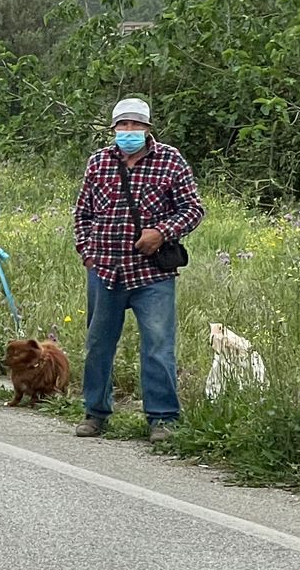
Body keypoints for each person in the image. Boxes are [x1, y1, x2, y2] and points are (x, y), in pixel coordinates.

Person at [72, 98, 204, 443]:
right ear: (114, 128)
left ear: (148, 128)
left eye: (136, 126)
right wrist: (87, 253)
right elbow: (82, 214)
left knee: (159, 346)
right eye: (123, 126)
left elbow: (192, 209)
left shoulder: (170, 160)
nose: (129, 132)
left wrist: (161, 233)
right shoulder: (99, 162)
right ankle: (95, 412)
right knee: (99, 344)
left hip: (152, 274)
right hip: (105, 269)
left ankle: (162, 418)